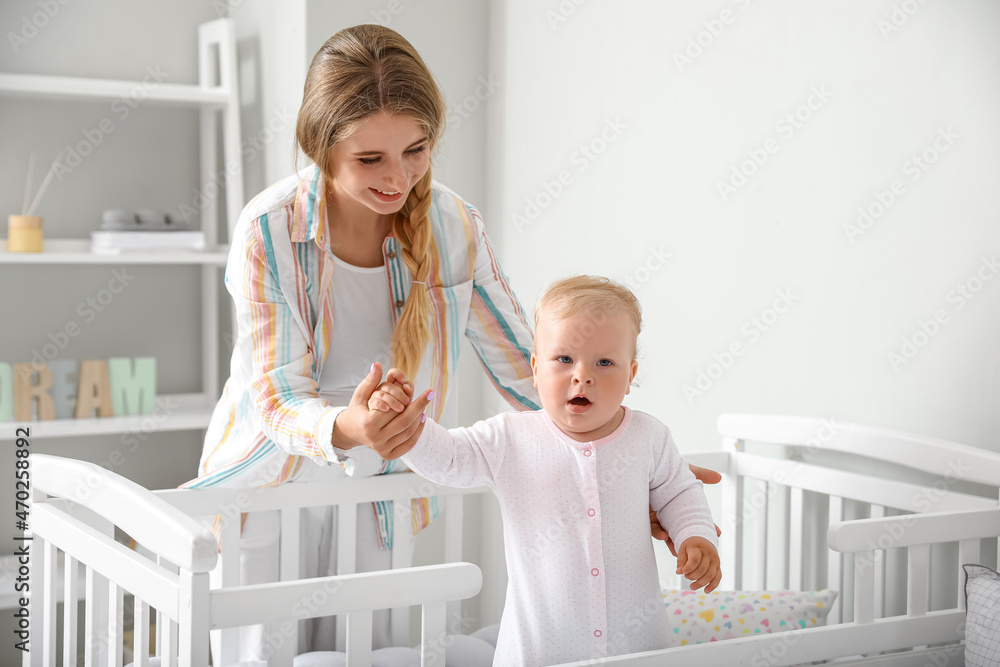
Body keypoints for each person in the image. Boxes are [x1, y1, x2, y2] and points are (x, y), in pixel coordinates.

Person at [183, 23, 717, 662]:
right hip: (270, 485)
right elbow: (275, 396)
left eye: (417, 149)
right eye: (370, 159)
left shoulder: (453, 228)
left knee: (362, 655)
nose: (399, 178)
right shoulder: (268, 231)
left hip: (380, 488)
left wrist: (618, 472)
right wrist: (348, 426)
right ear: (319, 149)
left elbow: (529, 369)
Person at [368, 276, 721, 665]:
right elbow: (450, 457)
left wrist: (696, 536)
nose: (582, 375)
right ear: (535, 369)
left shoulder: (648, 436)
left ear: (631, 375)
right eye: (564, 359)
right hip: (539, 648)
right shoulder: (510, 437)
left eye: (604, 362)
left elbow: (680, 492)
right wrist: (406, 423)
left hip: (636, 644)